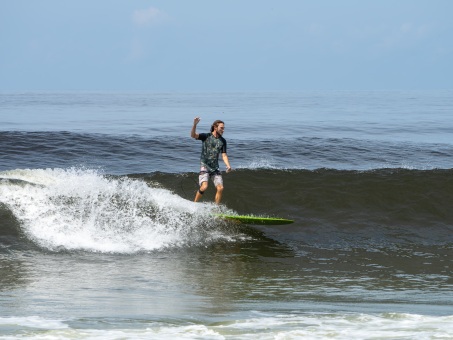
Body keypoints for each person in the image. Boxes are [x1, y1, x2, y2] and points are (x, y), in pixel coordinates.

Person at [191, 117, 232, 204]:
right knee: (204, 187)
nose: (223, 130)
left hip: (215, 168)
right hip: (205, 165)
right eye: (221, 128)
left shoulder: (223, 141)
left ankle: (216, 209)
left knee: (220, 188)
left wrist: (228, 165)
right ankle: (194, 204)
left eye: (224, 128)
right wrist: (195, 124)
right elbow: (193, 135)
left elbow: (224, 155)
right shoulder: (206, 136)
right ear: (215, 127)